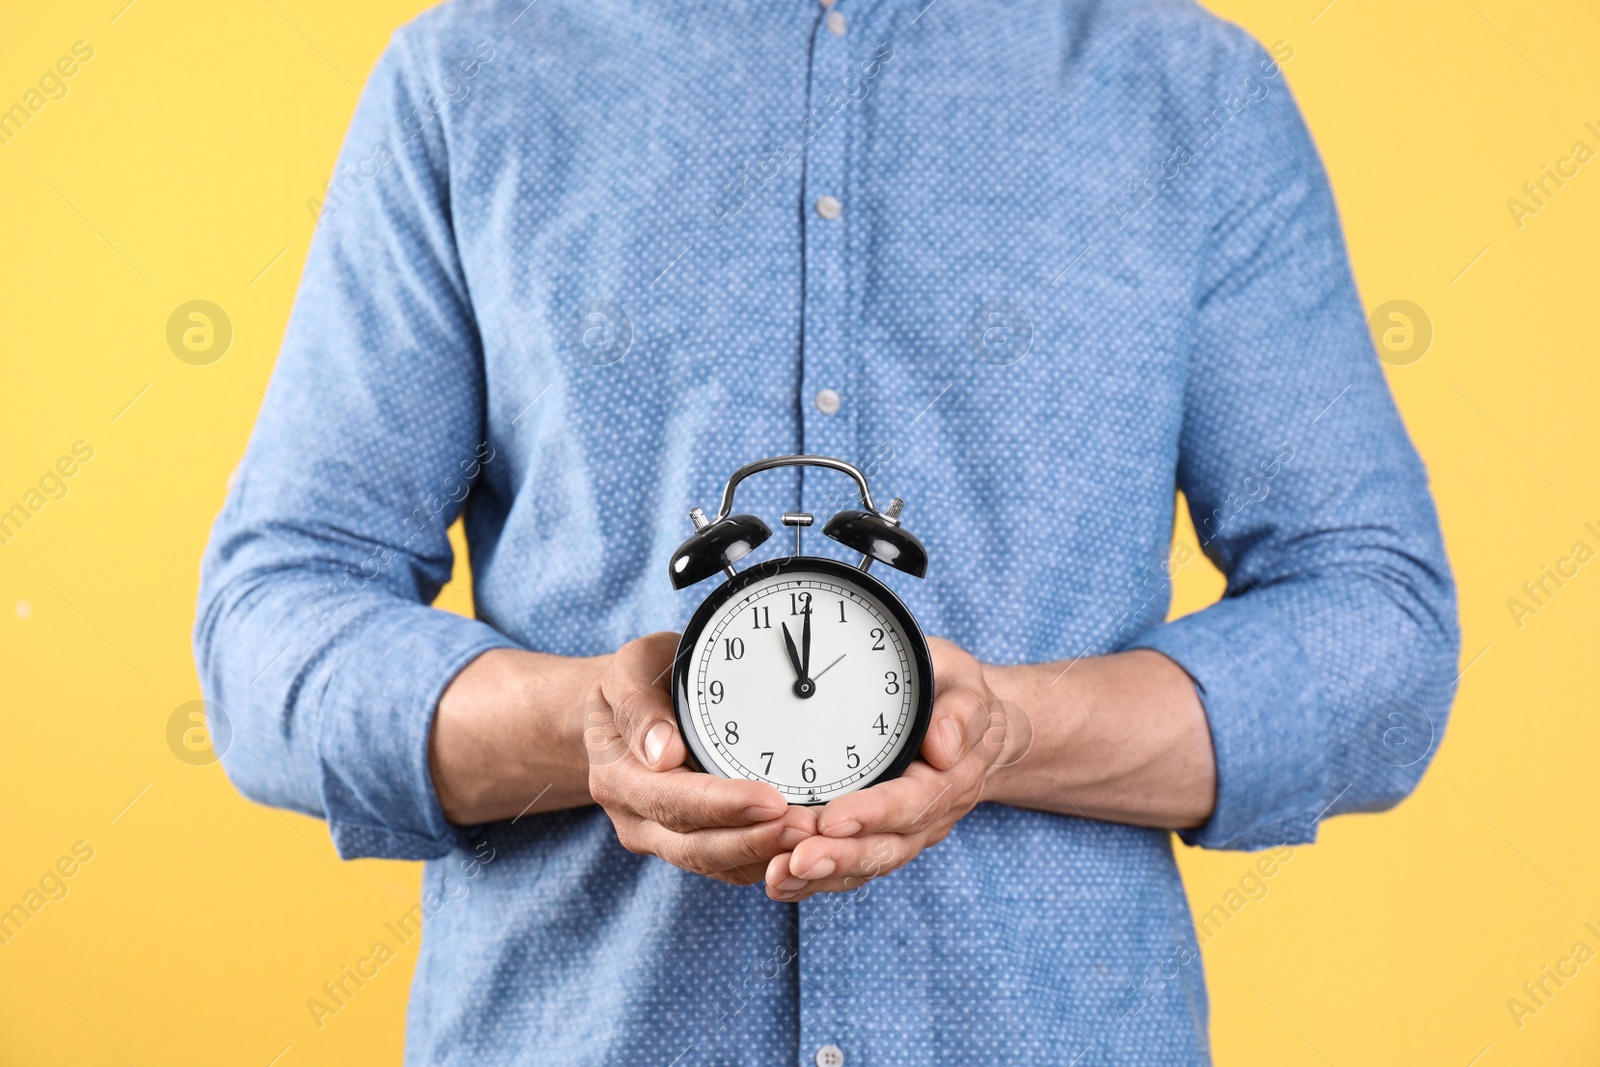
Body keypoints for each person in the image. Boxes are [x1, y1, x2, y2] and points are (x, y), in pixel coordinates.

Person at [194, 0, 1458, 1062]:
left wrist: (1008, 733)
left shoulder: (1193, 97)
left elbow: (1378, 627)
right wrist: (589, 728)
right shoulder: (468, 80)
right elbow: (273, 627)